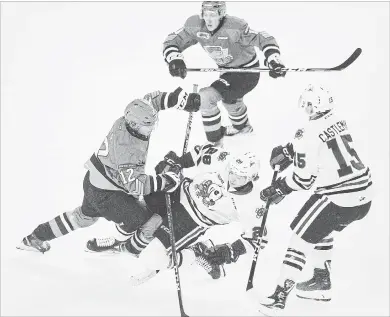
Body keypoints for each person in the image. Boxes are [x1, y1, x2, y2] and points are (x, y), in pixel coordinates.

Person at [16, 87, 200, 253]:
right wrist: (165, 181)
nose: (151, 127)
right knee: (140, 218)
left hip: (93, 181)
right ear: (135, 125)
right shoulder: (128, 150)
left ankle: (35, 237)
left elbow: (152, 100)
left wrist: (180, 100)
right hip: (107, 195)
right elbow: (136, 185)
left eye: (152, 122)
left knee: (83, 217)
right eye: (148, 125)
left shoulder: (127, 120)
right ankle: (116, 244)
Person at [256, 84, 373, 314]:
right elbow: (324, 143)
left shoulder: (305, 134)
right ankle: (321, 282)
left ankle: (279, 298)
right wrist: (291, 151)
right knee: (322, 228)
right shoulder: (339, 119)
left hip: (339, 197)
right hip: (364, 196)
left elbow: (304, 181)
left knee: (299, 239)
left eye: (309, 104)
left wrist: (280, 188)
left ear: (315, 105)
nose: (306, 108)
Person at [110, 142, 267, 283]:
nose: (233, 178)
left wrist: (231, 250)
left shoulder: (252, 202)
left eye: (241, 177)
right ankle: (122, 238)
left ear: (252, 177)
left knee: (153, 259)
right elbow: (200, 152)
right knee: (134, 204)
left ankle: (198, 252)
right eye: (233, 171)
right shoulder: (223, 159)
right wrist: (176, 163)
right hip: (178, 191)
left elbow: (260, 238)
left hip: (192, 220)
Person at [163, 1, 286, 144]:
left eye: (212, 15)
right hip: (227, 73)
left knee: (206, 97)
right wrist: (174, 59)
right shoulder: (195, 25)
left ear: (221, 15)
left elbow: (263, 38)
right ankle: (243, 128)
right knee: (230, 100)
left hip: (247, 72)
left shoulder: (235, 27)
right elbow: (172, 40)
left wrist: (273, 58)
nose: (208, 19)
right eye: (205, 14)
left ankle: (215, 143)